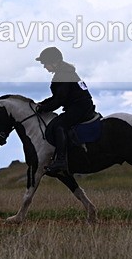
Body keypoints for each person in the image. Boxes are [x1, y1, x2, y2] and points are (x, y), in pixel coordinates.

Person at [34, 47, 96, 175]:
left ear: (54, 62)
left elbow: (59, 100)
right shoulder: (63, 72)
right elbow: (56, 97)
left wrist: (43, 108)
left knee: (59, 125)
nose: (45, 67)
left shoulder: (63, 74)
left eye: (45, 63)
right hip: (80, 105)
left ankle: (61, 160)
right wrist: (41, 104)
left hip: (80, 107)